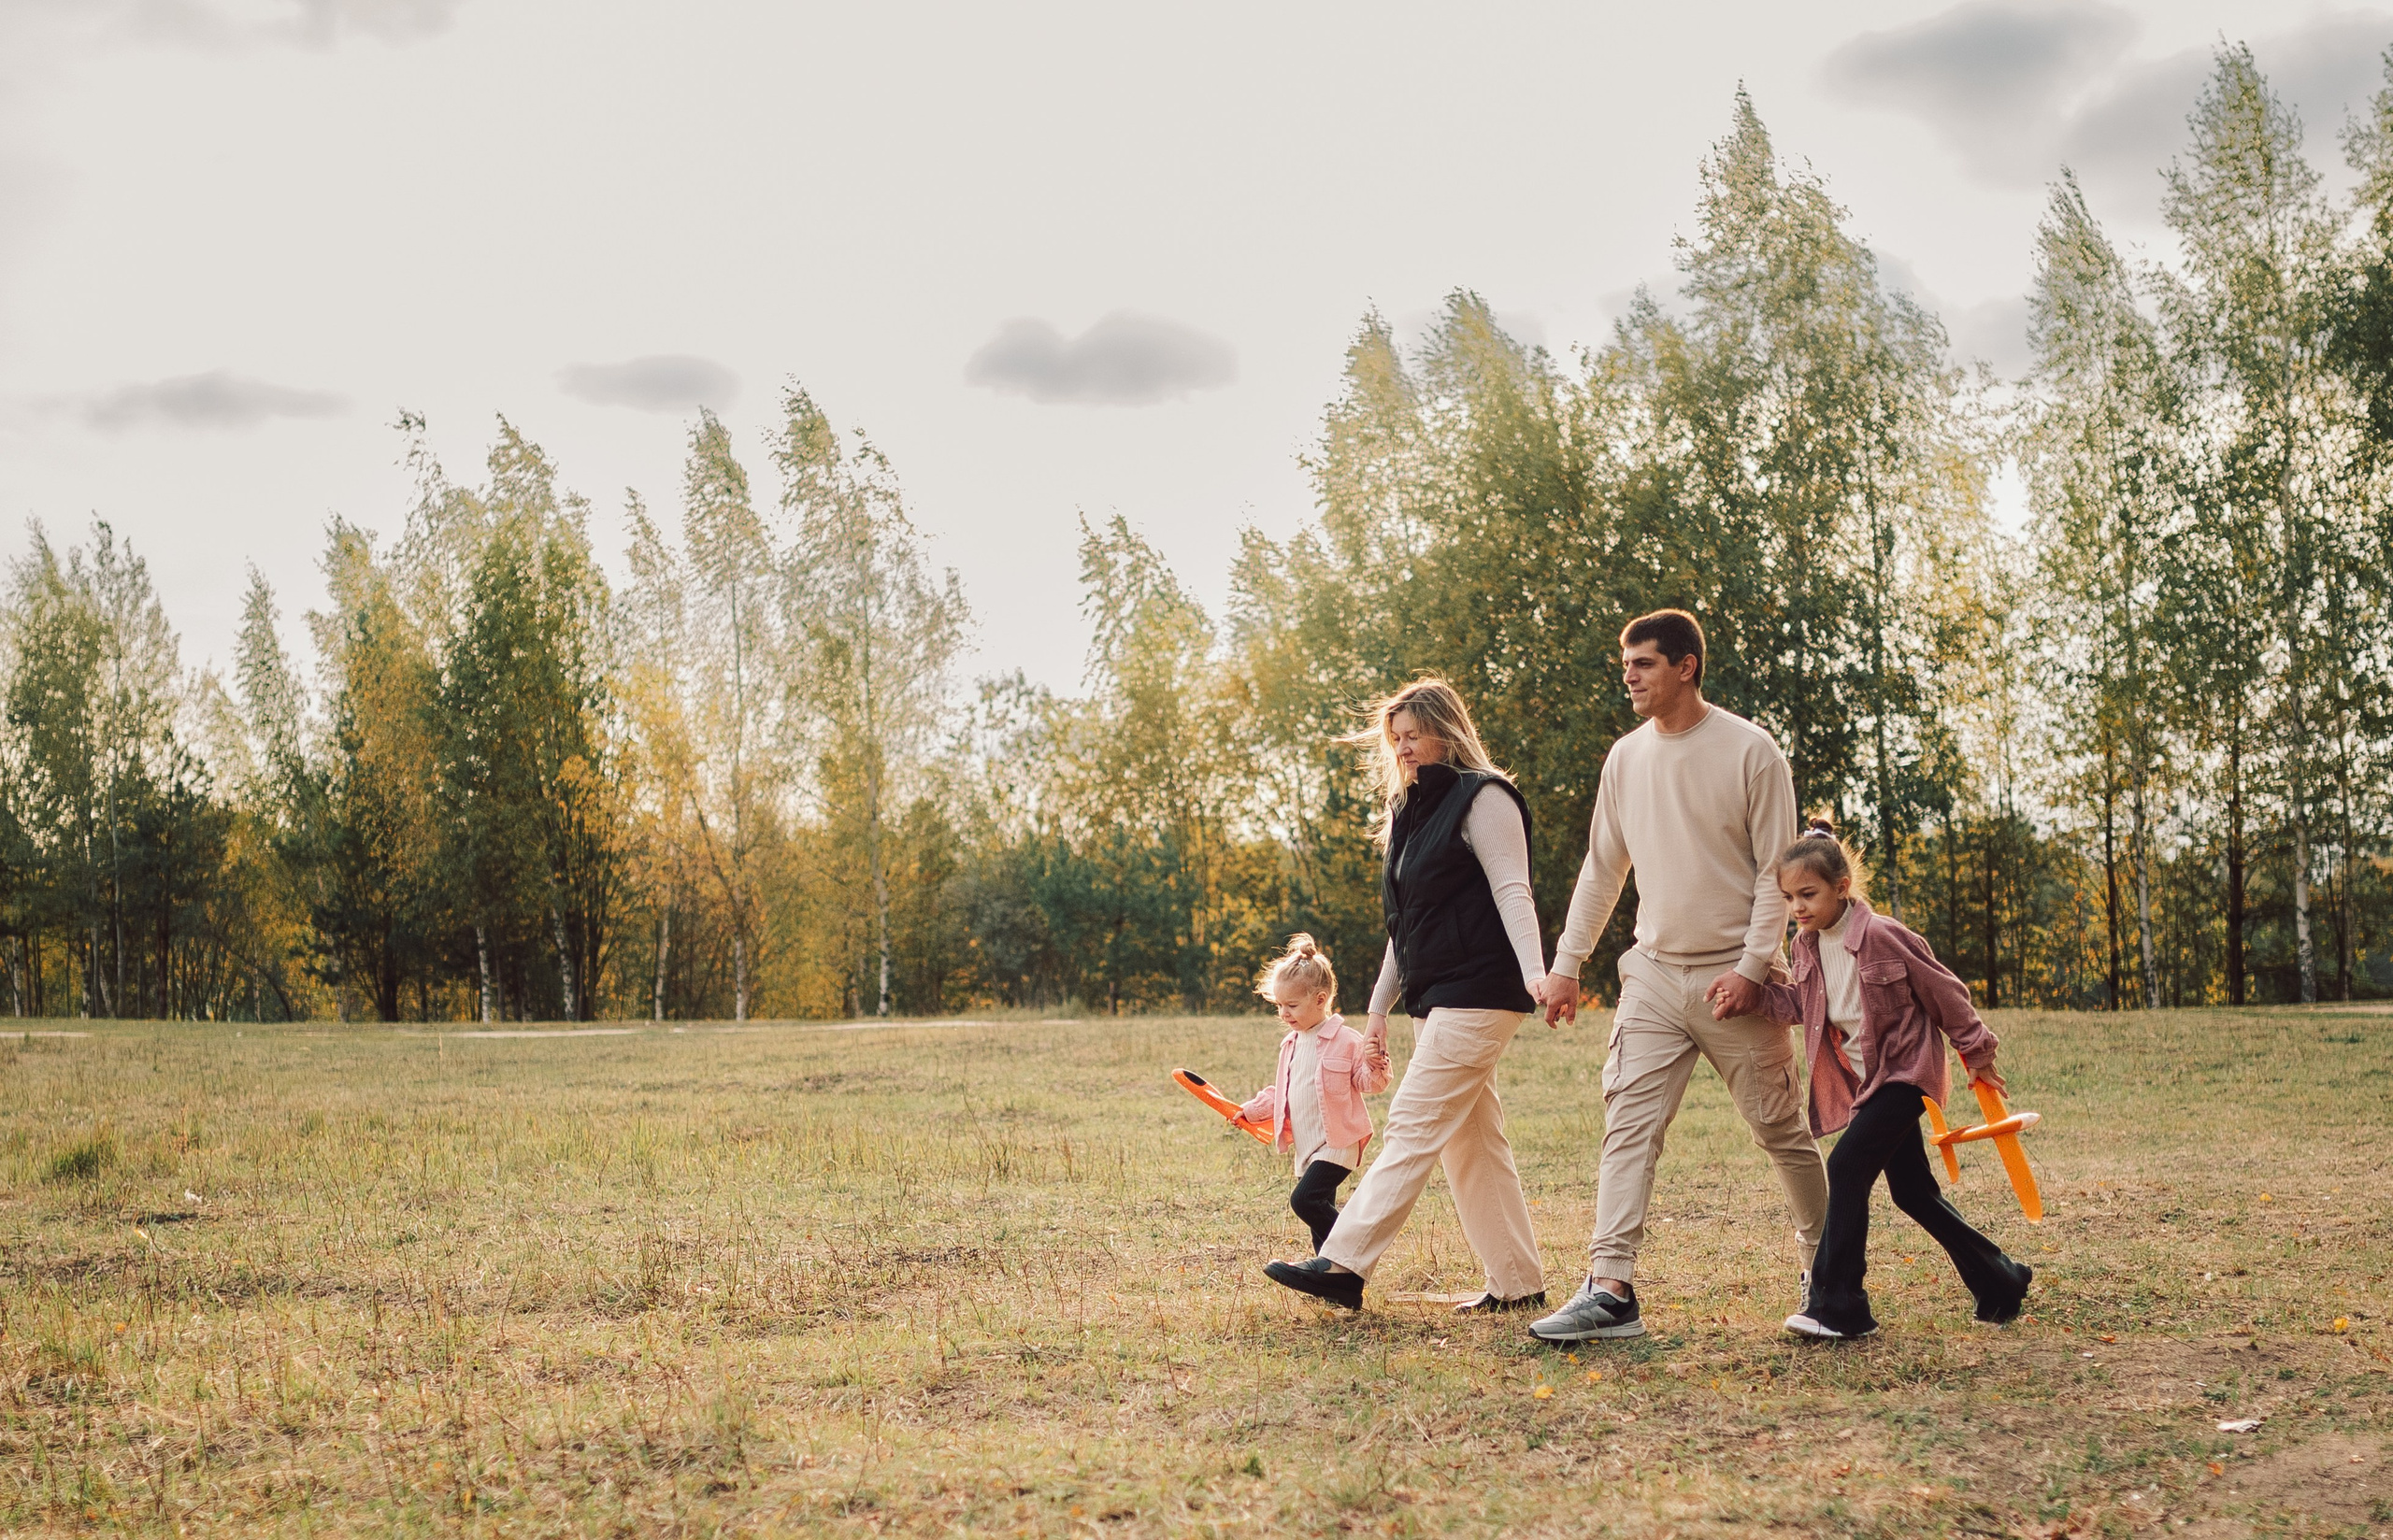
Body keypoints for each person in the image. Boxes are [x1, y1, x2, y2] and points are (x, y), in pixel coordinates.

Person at [1528, 608, 1828, 1344]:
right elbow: (1603, 869)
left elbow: (1778, 874)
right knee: (1628, 1126)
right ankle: (1609, 1288)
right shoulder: (1626, 758)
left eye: (1643, 663)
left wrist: (1753, 968)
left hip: (1739, 982)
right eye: (1625, 664)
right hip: (1654, 976)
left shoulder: (1751, 751)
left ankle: (1829, 1268)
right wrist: (1566, 965)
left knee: (1780, 1129)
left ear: (1685, 666)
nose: (1628, 676)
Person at [1263, 678, 1550, 1314]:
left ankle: (1343, 1263)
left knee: (1413, 1126)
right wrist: (1377, 1011)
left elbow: (1513, 890)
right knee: (1473, 1142)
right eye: (1395, 739)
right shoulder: (1409, 811)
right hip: (1437, 997)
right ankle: (1517, 1284)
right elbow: (1406, 925)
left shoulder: (1485, 797)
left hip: (1481, 992)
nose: (1403, 748)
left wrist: (1537, 973)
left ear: (1447, 730)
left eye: (1414, 735)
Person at [1765, 817, 2034, 1339]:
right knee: (1912, 1192)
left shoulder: (1884, 936)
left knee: (1846, 1166)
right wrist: (1750, 997)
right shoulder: (1805, 946)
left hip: (1906, 1074)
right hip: (1866, 1084)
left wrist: (1977, 1052)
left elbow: (1945, 992)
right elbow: (1803, 1004)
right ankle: (2001, 1280)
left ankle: (1840, 1307)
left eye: (1808, 894)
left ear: (1841, 887)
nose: (1797, 907)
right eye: (1789, 897)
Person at [1237, 935, 1393, 1250]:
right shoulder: (1291, 1044)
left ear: (1320, 999)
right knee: (1318, 1217)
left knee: (1305, 1201)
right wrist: (1251, 1111)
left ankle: (1353, 1249)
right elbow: (1284, 1091)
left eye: (1292, 1005)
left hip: (1337, 1142)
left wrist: (1377, 1063)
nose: (1284, 1013)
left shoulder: (1346, 1040)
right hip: (1307, 1146)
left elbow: (1371, 1084)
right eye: (1279, 1005)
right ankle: (1328, 1270)